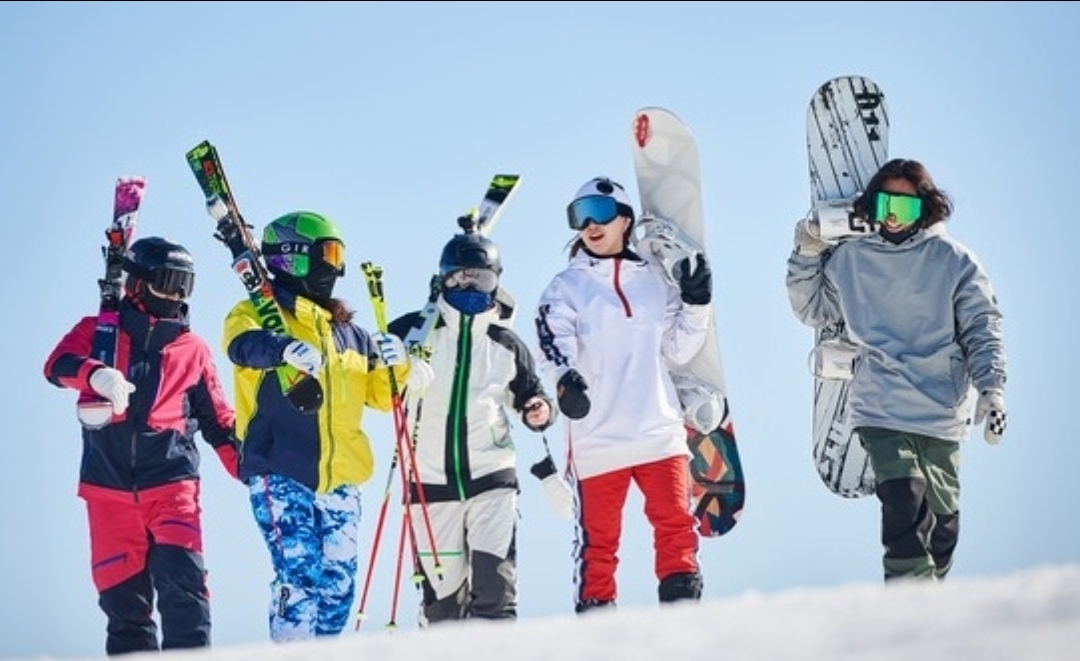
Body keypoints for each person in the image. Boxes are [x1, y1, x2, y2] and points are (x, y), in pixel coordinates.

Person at [786, 157, 1008, 581]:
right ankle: (906, 599)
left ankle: (932, 588)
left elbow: (982, 326)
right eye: (884, 203)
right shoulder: (851, 258)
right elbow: (813, 308)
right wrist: (806, 251)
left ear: (925, 208)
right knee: (903, 502)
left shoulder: (954, 261)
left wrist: (992, 388)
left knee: (942, 530)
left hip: (940, 410)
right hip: (880, 405)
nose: (892, 215)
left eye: (904, 206)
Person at [43, 236, 241, 655]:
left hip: (171, 485)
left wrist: (252, 469)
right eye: (168, 282)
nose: (176, 295)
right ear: (136, 283)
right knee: (124, 607)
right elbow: (56, 366)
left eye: (185, 285)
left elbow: (218, 422)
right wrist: (95, 374)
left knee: (183, 586)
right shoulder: (98, 332)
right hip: (107, 490)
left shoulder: (193, 349)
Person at [222, 210, 409, 641]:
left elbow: (381, 397)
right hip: (280, 470)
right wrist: (282, 348)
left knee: (338, 590)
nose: (335, 268)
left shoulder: (352, 335)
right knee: (299, 575)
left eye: (338, 255)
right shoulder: (255, 312)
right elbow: (241, 346)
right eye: (327, 254)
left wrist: (400, 366)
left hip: (341, 479)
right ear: (293, 257)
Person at [533, 176, 713, 612]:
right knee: (598, 547)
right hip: (598, 438)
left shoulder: (654, 281)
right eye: (579, 217)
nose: (590, 225)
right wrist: (566, 380)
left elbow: (678, 349)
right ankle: (600, 633)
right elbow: (552, 342)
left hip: (658, 430)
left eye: (599, 213)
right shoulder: (567, 286)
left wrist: (697, 304)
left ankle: (683, 624)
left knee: (677, 529)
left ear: (626, 219)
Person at [386, 230, 560, 625]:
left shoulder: (505, 344)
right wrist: (388, 362)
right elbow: (374, 379)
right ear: (443, 280)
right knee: (443, 609)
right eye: (460, 278)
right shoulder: (413, 331)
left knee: (495, 594)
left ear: (496, 282)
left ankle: (495, 649)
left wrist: (539, 410)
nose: (470, 287)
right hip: (429, 486)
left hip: (491, 480)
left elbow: (532, 395)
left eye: (480, 279)